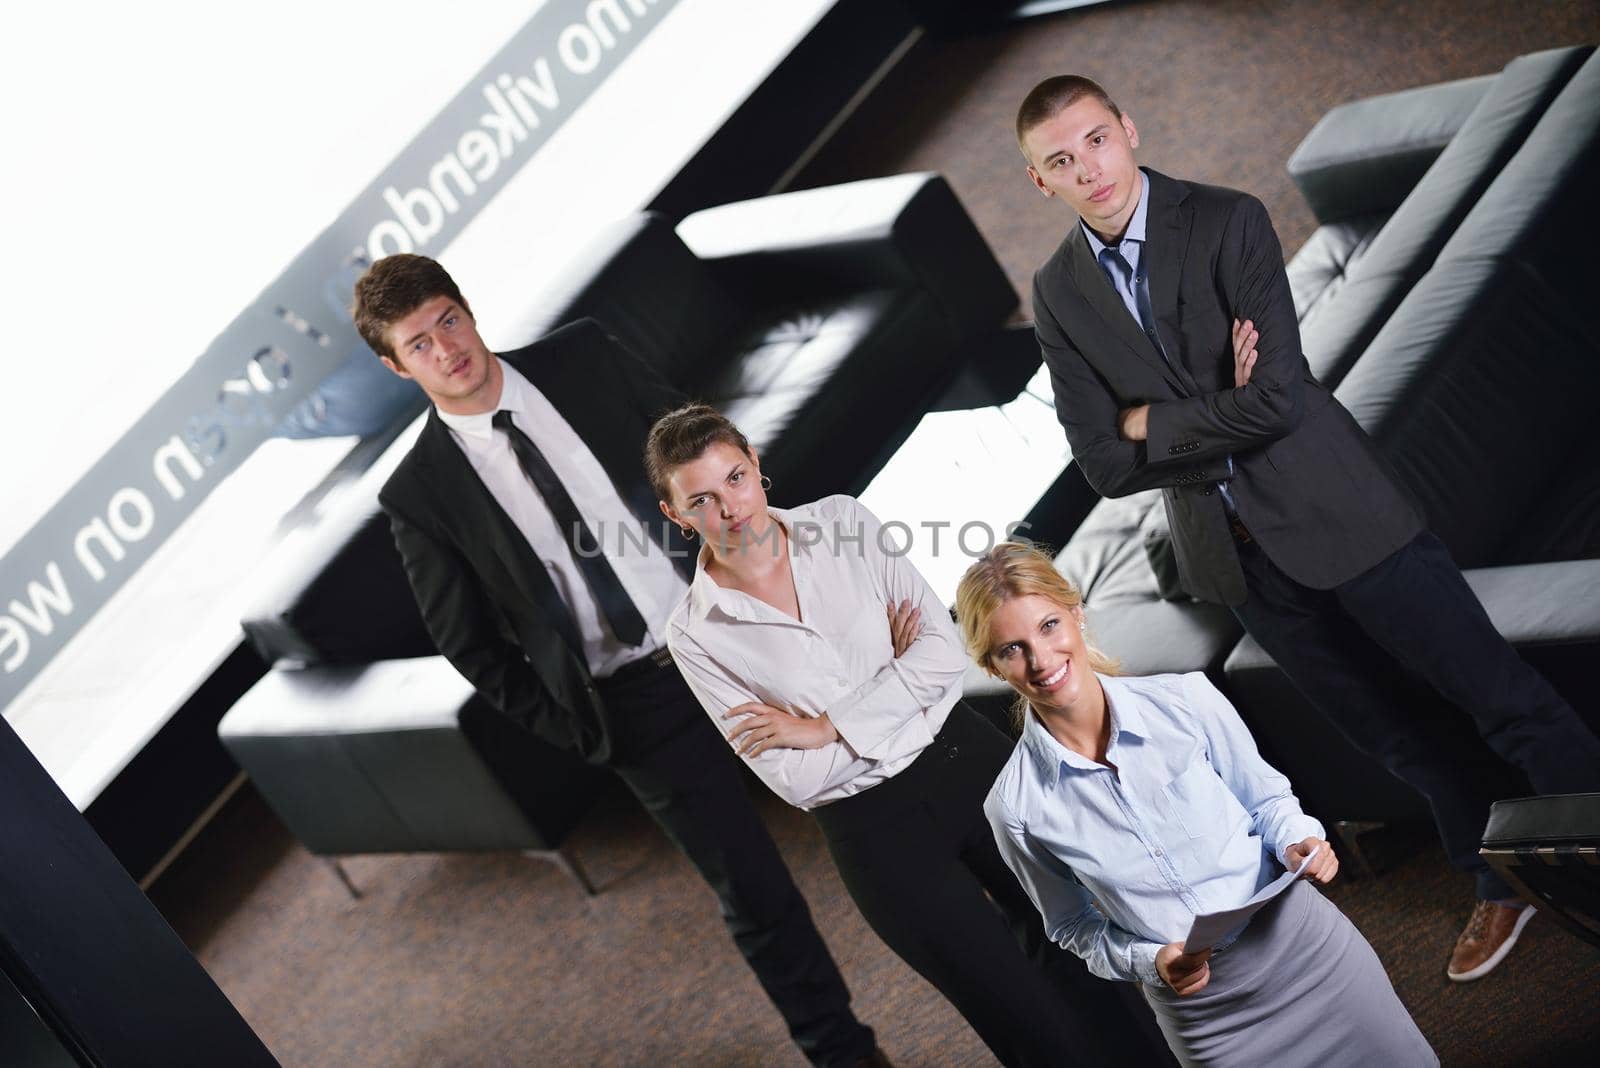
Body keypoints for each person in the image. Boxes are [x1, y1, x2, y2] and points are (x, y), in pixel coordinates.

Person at [1014, 73, 1600, 980]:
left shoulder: (1227, 219)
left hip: (1341, 511)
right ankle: (1494, 879)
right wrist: (1213, 404)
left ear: (1127, 129)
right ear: (1037, 181)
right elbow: (1099, 461)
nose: (1087, 168)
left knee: (1494, 691)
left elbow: (1279, 402)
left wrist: (1150, 422)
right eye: (1059, 160)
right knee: (1394, 734)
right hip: (1235, 558)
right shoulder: (1056, 293)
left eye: (1096, 140)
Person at [353, 254, 887, 1068]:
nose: (446, 349)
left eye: (448, 321)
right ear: (396, 365)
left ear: (467, 308)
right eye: (419, 344)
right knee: (754, 893)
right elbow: (471, 647)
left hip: (742, 635)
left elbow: (709, 460)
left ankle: (1010, 954)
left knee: (877, 799)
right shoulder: (419, 495)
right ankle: (842, 1052)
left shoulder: (585, 358)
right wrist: (586, 733)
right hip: (637, 707)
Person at [646, 403, 1163, 1068]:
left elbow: (945, 654)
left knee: (1094, 949)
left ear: (755, 464)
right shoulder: (695, 633)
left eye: (737, 478)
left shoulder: (843, 521)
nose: (732, 509)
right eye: (703, 500)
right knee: (1017, 1013)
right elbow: (794, 778)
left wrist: (825, 725)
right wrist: (897, 684)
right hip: (872, 834)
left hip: (966, 759)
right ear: (675, 515)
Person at [956, 542, 1437, 1067]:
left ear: (1077, 615)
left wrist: (1298, 837)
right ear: (994, 667)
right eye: (1012, 649)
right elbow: (1071, 927)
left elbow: (1269, 800)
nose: (1041, 659)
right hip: (1210, 1019)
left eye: (1049, 626)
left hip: (1310, 955)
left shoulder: (1187, 699)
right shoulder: (1016, 808)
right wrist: (1147, 961)